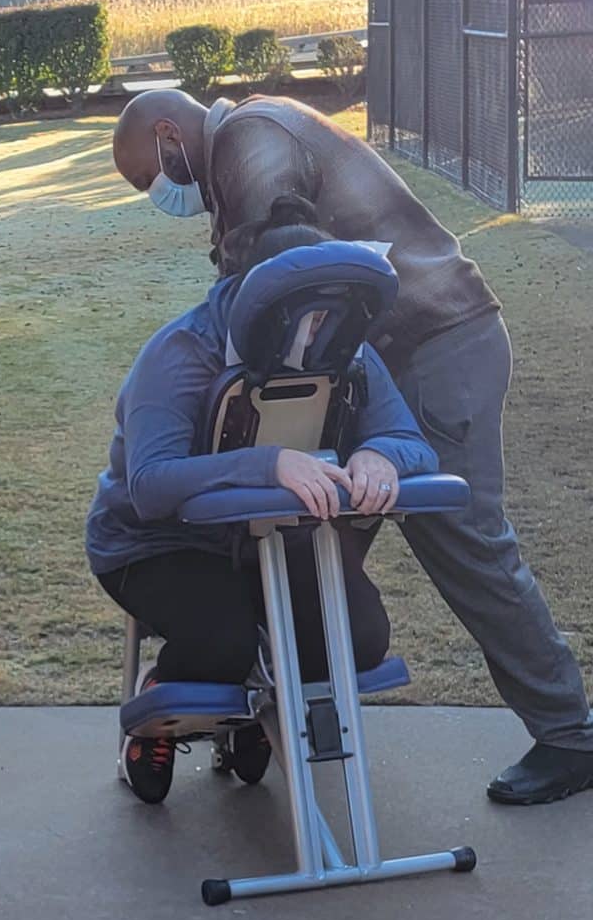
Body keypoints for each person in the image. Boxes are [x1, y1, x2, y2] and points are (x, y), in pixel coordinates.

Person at [112, 86, 593, 806]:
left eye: (147, 176)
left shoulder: (250, 139)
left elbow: (275, 274)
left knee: (463, 540)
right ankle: (257, 707)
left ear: (168, 134)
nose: (158, 192)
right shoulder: (250, 136)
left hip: (430, 345)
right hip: (364, 356)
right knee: (303, 547)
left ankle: (568, 734)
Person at [87, 197, 437, 804]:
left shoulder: (344, 349)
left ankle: (256, 707)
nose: (320, 334)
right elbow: (150, 485)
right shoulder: (180, 352)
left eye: (331, 318)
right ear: (267, 307)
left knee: (358, 639)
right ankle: (162, 698)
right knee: (222, 646)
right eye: (309, 318)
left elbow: (410, 441)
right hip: (157, 545)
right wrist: (268, 463)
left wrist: (381, 455)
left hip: (272, 538)